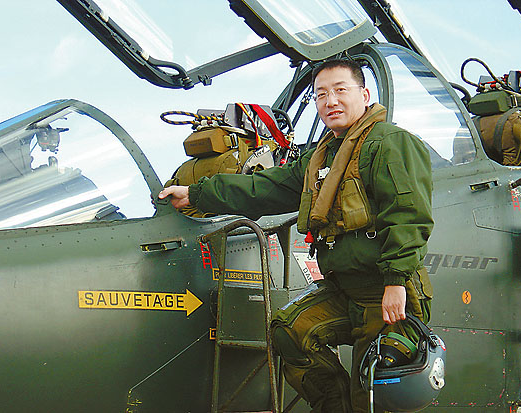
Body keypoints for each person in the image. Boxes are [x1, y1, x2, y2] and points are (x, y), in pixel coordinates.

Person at [159, 59, 434, 412]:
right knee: (290, 333)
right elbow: (264, 187)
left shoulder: (390, 143)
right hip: (344, 288)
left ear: (364, 95)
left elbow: (408, 215)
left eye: (340, 90)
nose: (330, 101)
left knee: (370, 396)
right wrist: (197, 194)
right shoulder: (321, 158)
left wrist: (395, 281)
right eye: (321, 94)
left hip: (384, 289)